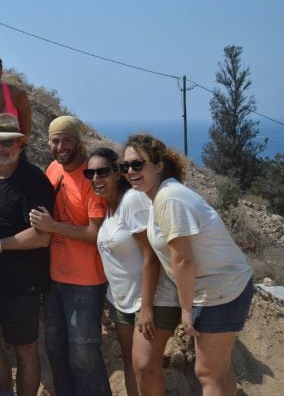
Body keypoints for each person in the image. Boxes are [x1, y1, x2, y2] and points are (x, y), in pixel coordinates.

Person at [122, 133, 253, 396]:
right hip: (222, 287)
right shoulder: (163, 194)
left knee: (208, 373)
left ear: (158, 165)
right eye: (124, 166)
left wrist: (185, 310)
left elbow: (183, 258)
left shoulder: (169, 198)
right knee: (218, 371)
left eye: (138, 164)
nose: (130, 171)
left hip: (220, 290)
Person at [0, 113, 54, 396]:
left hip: (22, 283)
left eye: (6, 143)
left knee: (25, 351)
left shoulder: (34, 181)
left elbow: (41, 236)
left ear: (20, 144)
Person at [85, 147, 180, 396]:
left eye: (102, 171)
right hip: (122, 303)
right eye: (90, 173)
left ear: (117, 173)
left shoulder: (132, 201)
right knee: (131, 362)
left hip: (152, 300)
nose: (96, 178)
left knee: (146, 367)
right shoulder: (109, 211)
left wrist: (146, 307)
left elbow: (151, 256)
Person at [28, 115, 111, 395]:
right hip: (54, 278)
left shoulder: (92, 177)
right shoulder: (53, 169)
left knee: (83, 355)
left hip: (86, 281)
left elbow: (94, 233)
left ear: (78, 142)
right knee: (56, 350)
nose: (61, 146)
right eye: (55, 140)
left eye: (67, 140)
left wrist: (53, 227)